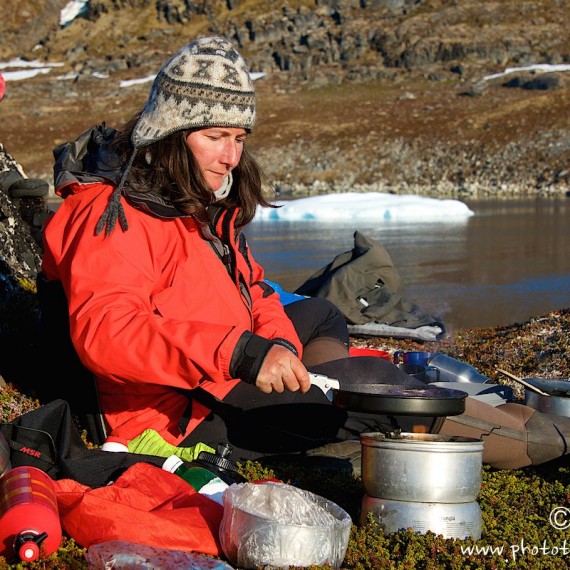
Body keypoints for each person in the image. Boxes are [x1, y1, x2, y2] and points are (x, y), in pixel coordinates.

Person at [40, 36, 570, 471]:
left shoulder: (195, 202)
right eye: (216, 136)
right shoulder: (115, 214)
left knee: (319, 314)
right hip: (184, 409)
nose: (231, 155)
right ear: (169, 133)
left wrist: (272, 342)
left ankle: (325, 404)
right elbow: (107, 334)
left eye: (240, 137)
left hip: (226, 367)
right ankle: (546, 439)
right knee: (379, 395)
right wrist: (244, 353)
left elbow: (251, 288)